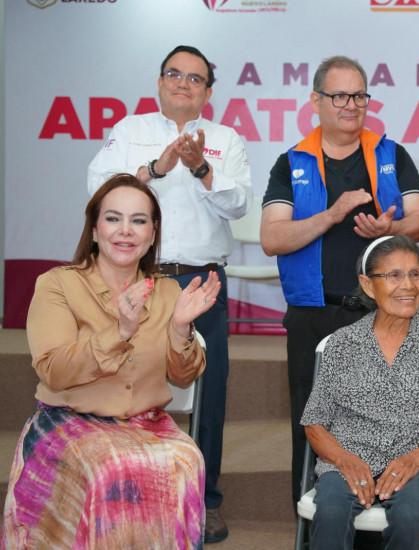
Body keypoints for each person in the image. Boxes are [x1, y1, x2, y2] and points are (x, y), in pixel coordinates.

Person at [87, 45, 253, 543]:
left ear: (209, 92)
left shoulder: (225, 139)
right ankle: (130, 494)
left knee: (209, 393)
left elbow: (239, 204)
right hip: (137, 277)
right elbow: (98, 192)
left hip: (201, 282)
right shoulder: (129, 131)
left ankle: (205, 500)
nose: (184, 83)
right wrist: (154, 171)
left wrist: (201, 168)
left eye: (195, 78)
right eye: (174, 74)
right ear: (160, 82)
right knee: (130, 385)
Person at [2, 174, 221, 548]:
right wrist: (119, 331)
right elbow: (53, 371)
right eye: (113, 218)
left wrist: (181, 329)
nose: (126, 231)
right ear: (94, 229)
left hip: (147, 424)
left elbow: (184, 377)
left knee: (187, 458)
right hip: (69, 422)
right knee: (111, 467)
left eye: (139, 221)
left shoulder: (168, 291)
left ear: (152, 233)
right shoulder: (58, 284)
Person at [260, 56, 419, 517]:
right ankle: (312, 531)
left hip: (381, 316)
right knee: (312, 425)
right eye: (339, 95)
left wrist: (391, 228)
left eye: (359, 95)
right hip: (313, 316)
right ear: (316, 100)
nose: (351, 105)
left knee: (385, 423)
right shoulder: (291, 162)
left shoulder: (391, 154)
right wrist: (332, 215)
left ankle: (376, 530)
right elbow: (272, 237)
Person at [300, 235, 419, 550]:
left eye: (415, 274)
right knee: (331, 511)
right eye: (394, 275)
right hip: (348, 459)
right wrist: (343, 459)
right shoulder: (342, 343)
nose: (408, 285)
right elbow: (314, 422)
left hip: (418, 463)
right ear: (368, 285)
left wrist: (416, 457)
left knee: (408, 515)